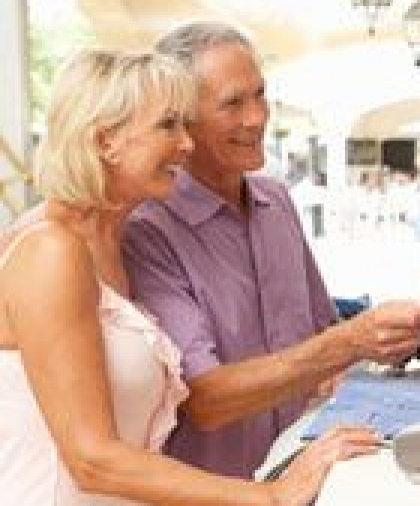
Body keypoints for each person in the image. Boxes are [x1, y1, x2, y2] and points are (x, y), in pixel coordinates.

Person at [0, 48, 382, 506]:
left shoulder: (112, 247)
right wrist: (272, 496)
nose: (186, 143)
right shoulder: (51, 251)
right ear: (105, 142)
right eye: (168, 126)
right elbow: (92, 460)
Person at [122, 22, 420, 478]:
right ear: (182, 120)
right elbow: (204, 399)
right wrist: (349, 341)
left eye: (259, 94)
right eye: (233, 103)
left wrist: (374, 345)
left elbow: (321, 334)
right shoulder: (147, 229)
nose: (257, 117)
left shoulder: (276, 201)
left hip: (299, 475)